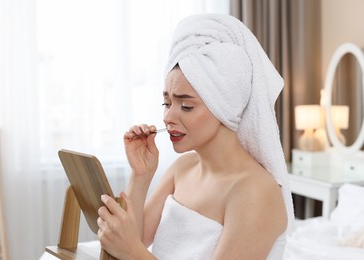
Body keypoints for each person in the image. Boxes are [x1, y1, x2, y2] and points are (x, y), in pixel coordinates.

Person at [97, 13, 294, 260]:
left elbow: (132, 250)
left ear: (224, 106)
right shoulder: (183, 168)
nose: (169, 116)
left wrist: (134, 253)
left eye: (186, 106)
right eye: (166, 102)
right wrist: (141, 175)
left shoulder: (256, 191)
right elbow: (134, 240)